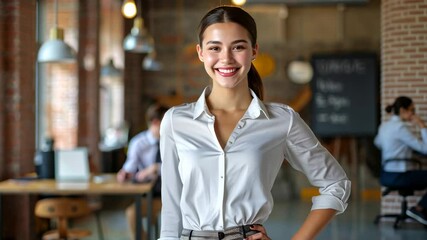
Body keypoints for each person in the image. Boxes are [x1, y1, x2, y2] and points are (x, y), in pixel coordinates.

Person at [158, 6, 351, 240]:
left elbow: (336, 184)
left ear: (254, 51)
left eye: (238, 47)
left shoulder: (282, 120)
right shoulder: (176, 121)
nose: (226, 58)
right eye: (215, 48)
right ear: (201, 53)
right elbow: (171, 209)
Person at [116, 103, 168, 239]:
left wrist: (155, 168)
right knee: (132, 213)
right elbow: (130, 167)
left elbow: (180, 167)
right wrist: (124, 173)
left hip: (171, 196)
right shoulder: (138, 142)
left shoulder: (172, 141)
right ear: (156, 122)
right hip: (149, 195)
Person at [374, 96, 427, 225]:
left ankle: (418, 209)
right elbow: (425, 149)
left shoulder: (384, 126)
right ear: (403, 110)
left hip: (386, 174)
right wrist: (422, 125)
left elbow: (378, 143)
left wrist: (398, 150)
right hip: (400, 175)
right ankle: (418, 209)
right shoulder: (400, 128)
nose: (413, 114)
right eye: (412, 110)